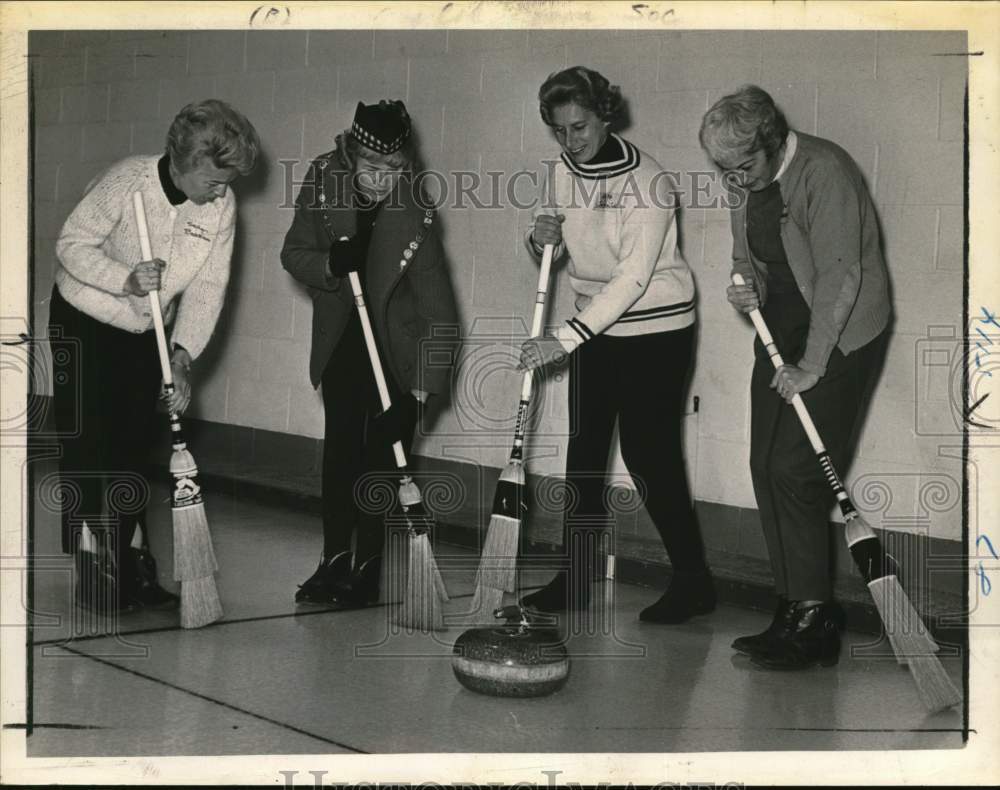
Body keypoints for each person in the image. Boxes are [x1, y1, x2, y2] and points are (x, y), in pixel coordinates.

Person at [699, 85, 892, 669]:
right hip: (778, 327)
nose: (736, 179)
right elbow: (746, 254)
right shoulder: (744, 181)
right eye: (724, 170)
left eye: (745, 165)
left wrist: (812, 365)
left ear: (774, 140)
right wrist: (744, 287)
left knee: (796, 471)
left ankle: (817, 619)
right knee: (764, 465)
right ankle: (791, 609)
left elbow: (840, 275)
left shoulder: (824, 172)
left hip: (839, 335)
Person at [517, 66, 714, 623]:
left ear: (606, 115)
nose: (570, 140)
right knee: (584, 451)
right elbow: (554, 255)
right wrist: (538, 239)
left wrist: (563, 340)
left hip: (657, 327)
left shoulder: (648, 183)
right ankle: (576, 575)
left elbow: (632, 278)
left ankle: (694, 581)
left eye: (580, 127)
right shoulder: (559, 171)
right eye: (559, 130)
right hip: (596, 325)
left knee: (649, 455)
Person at [51, 99, 260, 614]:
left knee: (130, 445)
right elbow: (71, 245)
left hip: (146, 326)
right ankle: (90, 563)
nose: (222, 191)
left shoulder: (220, 205)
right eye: (214, 179)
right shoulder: (128, 182)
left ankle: (129, 562)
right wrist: (123, 279)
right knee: (88, 443)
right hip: (84, 314)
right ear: (185, 161)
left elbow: (209, 286)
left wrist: (183, 355)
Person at [282, 100, 459, 607]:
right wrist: (332, 264)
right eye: (372, 169)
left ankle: (368, 566)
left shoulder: (416, 212)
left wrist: (418, 396)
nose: (383, 181)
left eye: (395, 170)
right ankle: (333, 557)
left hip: (394, 350)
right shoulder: (322, 180)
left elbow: (441, 315)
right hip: (343, 336)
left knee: (381, 459)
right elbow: (294, 253)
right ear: (350, 154)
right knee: (340, 452)